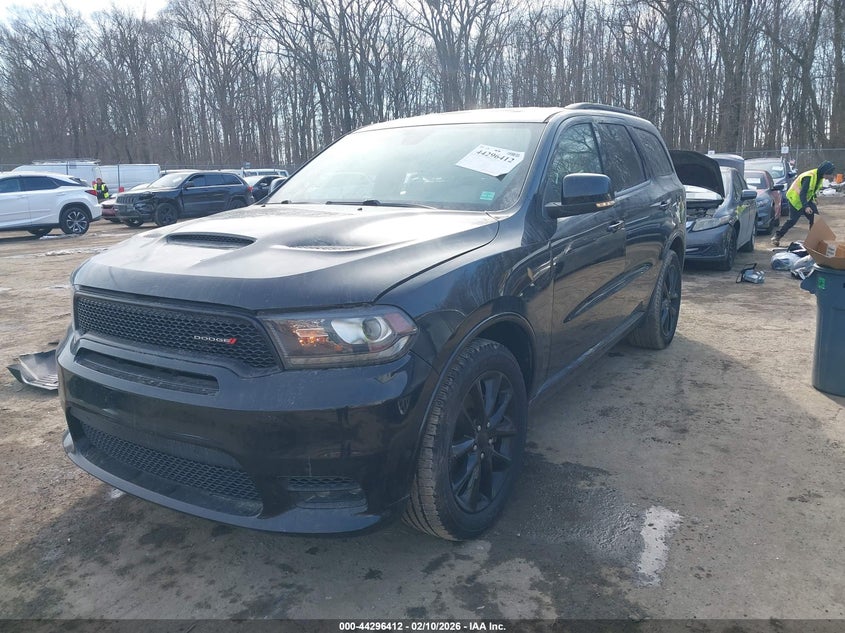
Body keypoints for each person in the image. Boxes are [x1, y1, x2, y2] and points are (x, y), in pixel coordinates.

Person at [771, 160, 835, 246]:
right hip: (795, 199)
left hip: (806, 199)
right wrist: (806, 207)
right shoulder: (809, 177)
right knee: (792, 220)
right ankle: (777, 236)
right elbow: (802, 193)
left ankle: (813, 240)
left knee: (815, 219)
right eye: (829, 174)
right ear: (824, 172)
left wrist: (814, 198)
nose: (830, 176)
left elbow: (811, 190)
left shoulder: (819, 177)